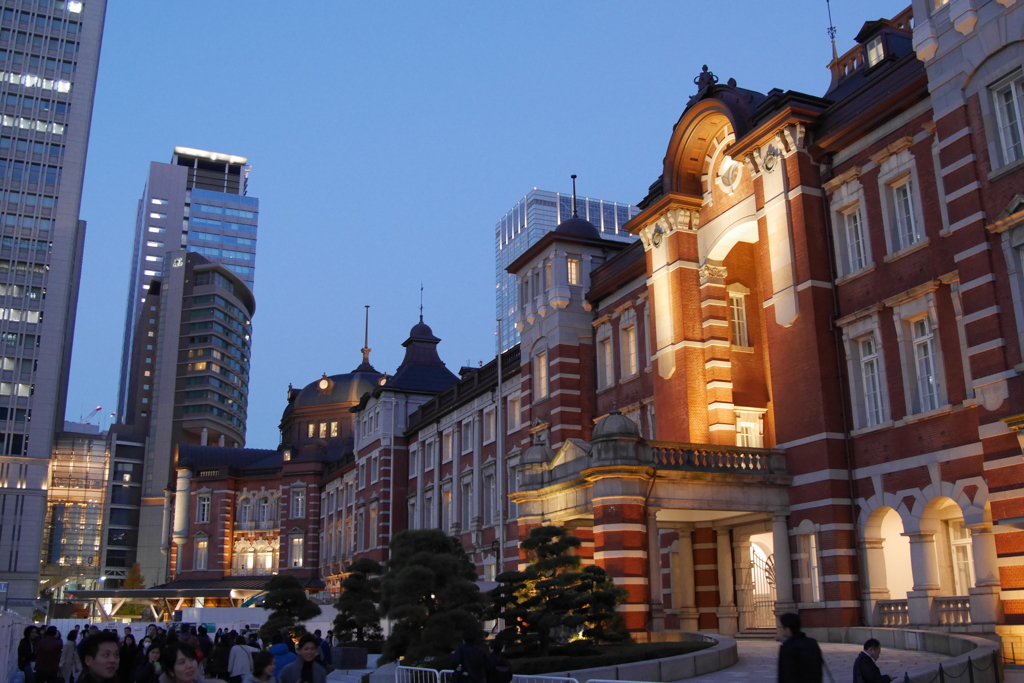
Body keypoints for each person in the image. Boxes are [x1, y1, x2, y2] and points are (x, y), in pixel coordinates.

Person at [777, 613, 823, 683]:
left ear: (788, 629)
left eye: (781, 627)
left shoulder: (787, 647)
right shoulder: (812, 643)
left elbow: (785, 674)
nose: (781, 630)